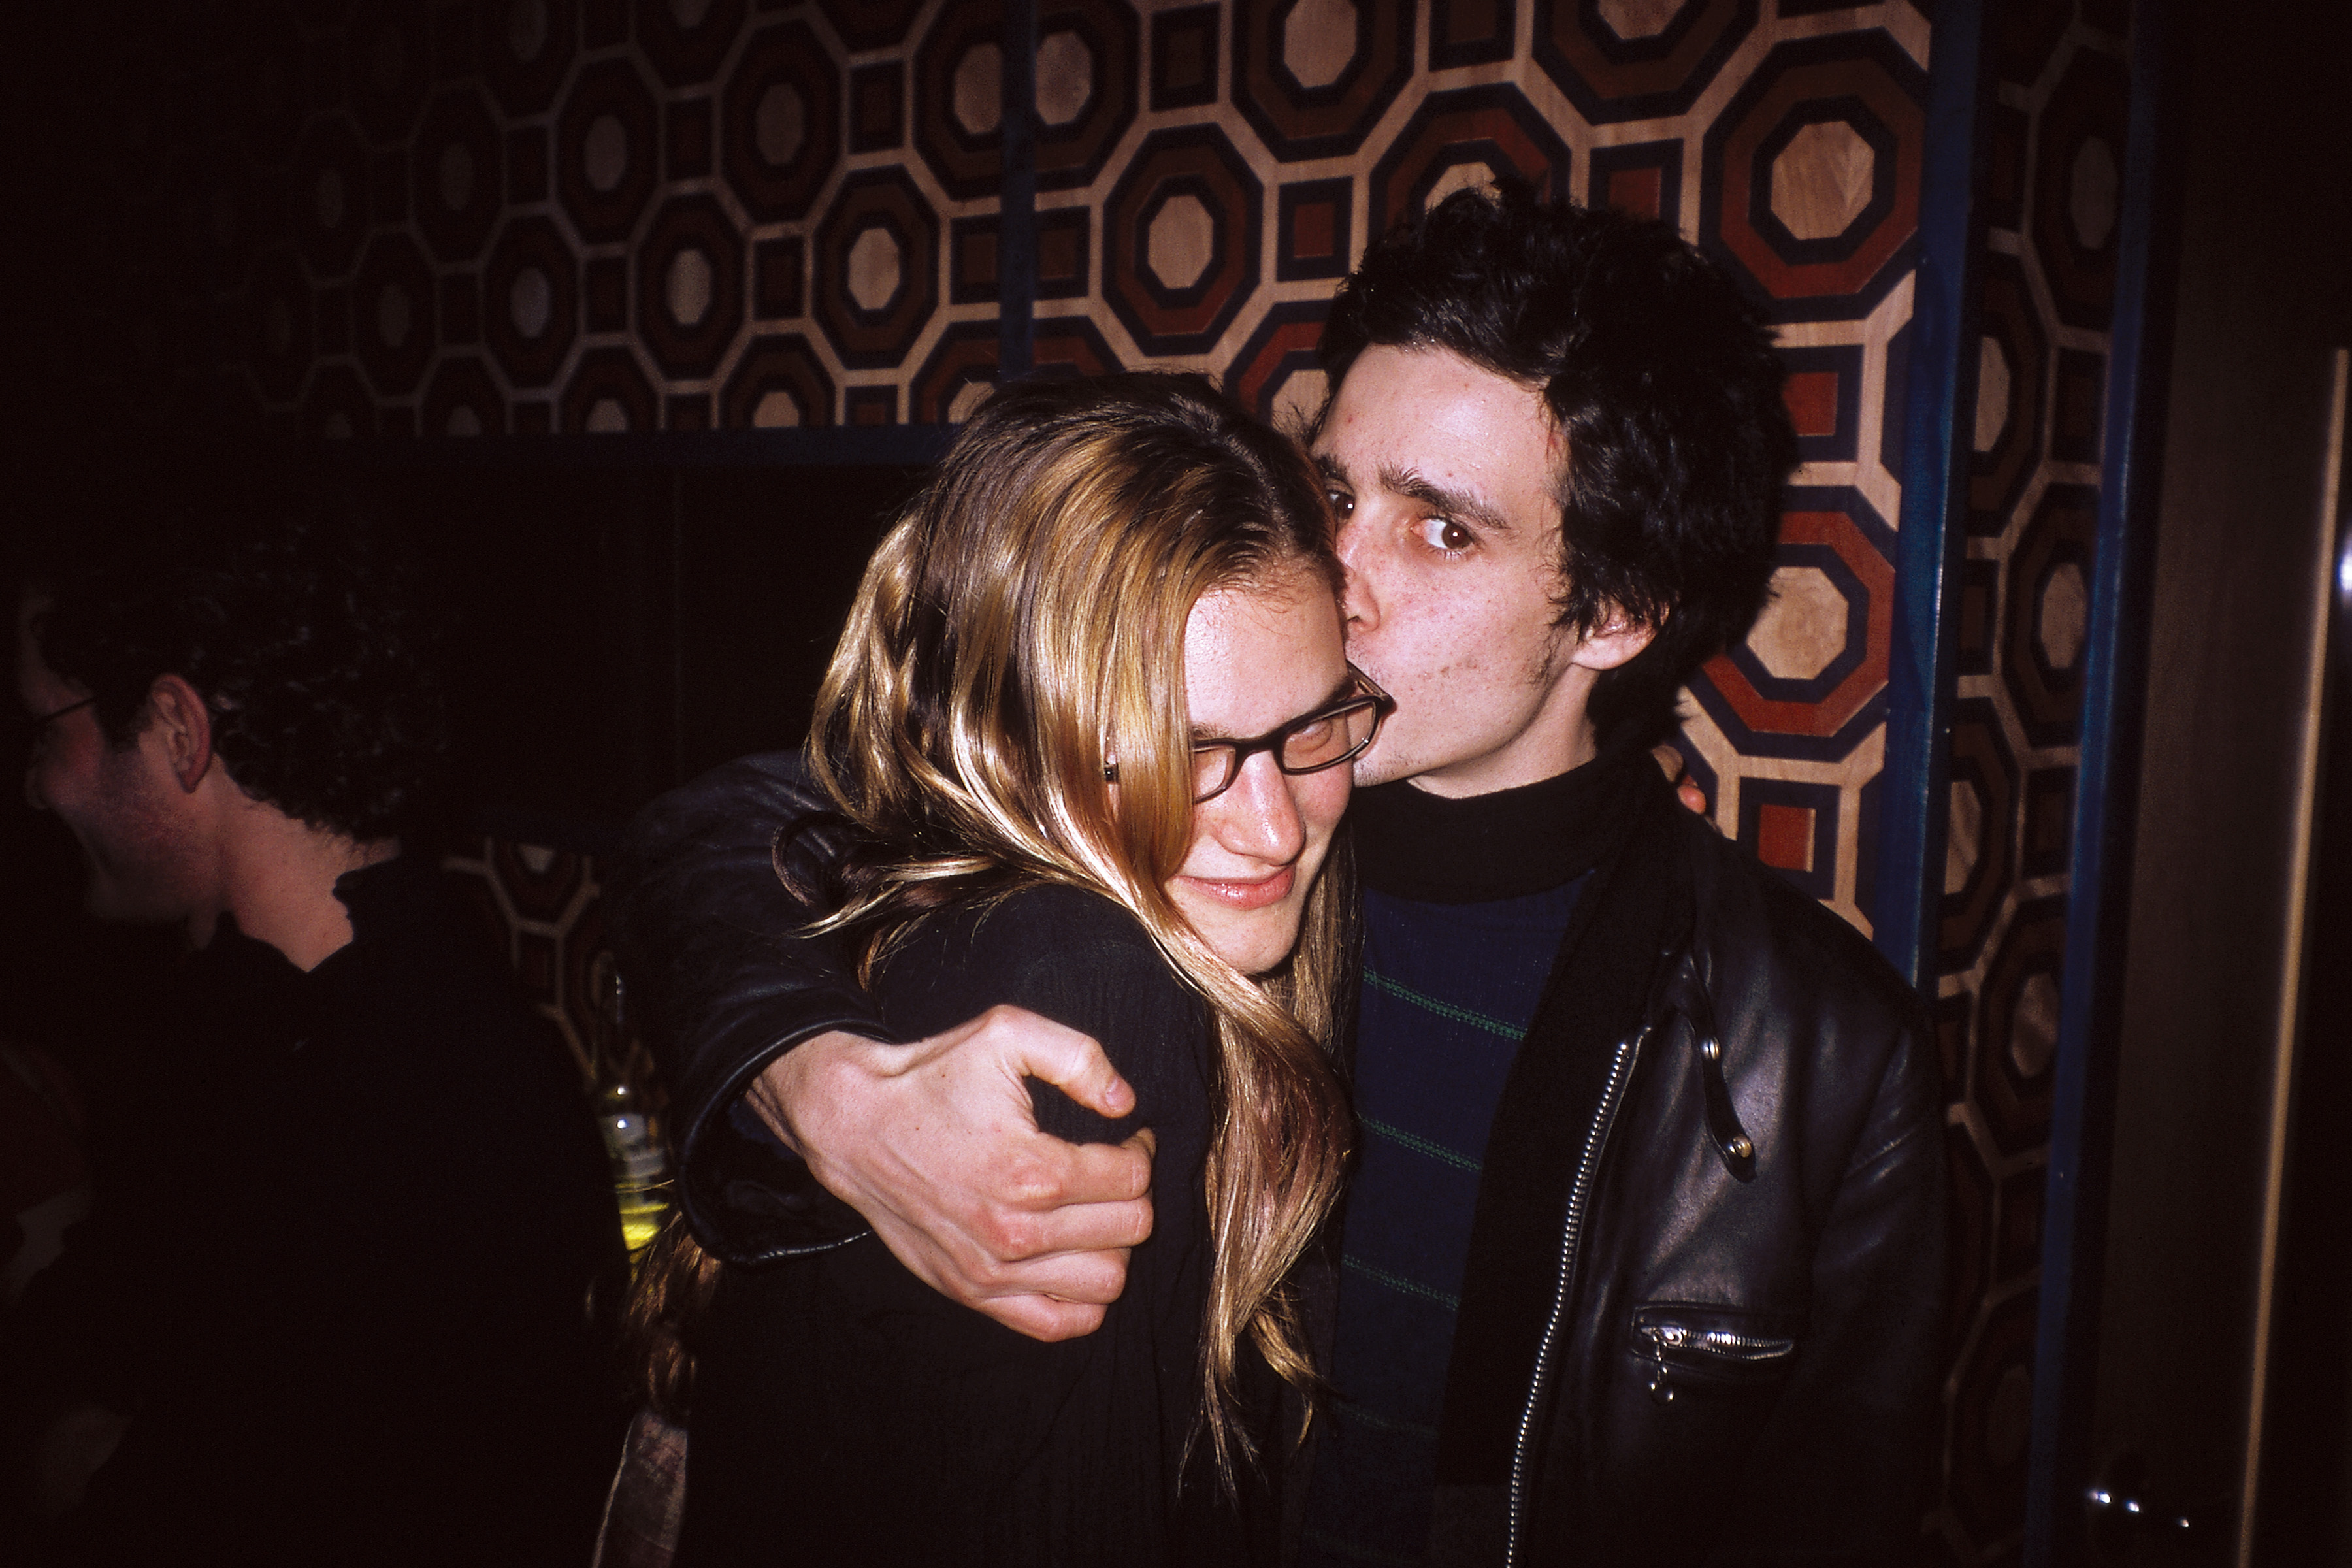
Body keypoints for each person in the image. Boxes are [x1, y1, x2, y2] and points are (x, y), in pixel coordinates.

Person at [610, 184, 1945, 1565]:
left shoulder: (1826, 1061)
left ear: (1614, 612)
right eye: (1333, 492)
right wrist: (820, 1084)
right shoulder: (1194, 831)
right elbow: (734, 827)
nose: (1332, 572)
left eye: (1442, 530)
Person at [637, 374, 1367, 1564]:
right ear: (1009, 738)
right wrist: (815, 1085)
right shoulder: (1081, 982)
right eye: (1182, 750)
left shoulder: (989, 906)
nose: (1277, 828)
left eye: (1314, 729)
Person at [0, 459, 625, 1566]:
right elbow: (108, 1303)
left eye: (47, 733)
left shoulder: (408, 1109)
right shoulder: (256, 1006)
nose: (35, 784)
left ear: (179, 730)